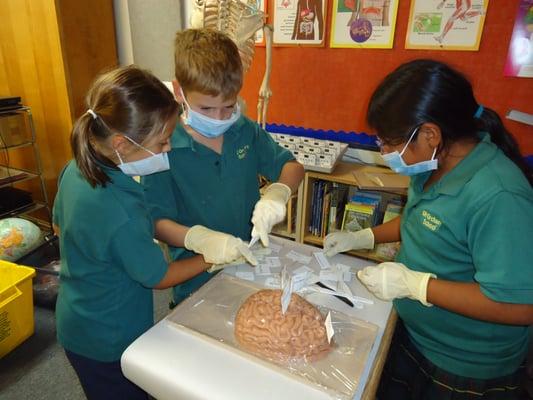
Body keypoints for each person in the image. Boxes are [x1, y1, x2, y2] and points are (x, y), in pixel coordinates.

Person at [324, 59, 533, 399]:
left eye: (390, 143)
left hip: (463, 362)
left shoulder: (498, 195)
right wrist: (363, 236)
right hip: (414, 334)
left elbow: (520, 306)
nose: (385, 152)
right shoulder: (432, 164)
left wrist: (417, 284)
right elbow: (420, 222)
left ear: (430, 134)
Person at [52, 65, 213, 400]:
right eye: (163, 141)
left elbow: (58, 225)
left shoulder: (78, 167)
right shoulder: (119, 209)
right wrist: (209, 256)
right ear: (122, 144)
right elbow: (160, 276)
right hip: (109, 340)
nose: (168, 148)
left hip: (77, 319)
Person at [142, 28, 305, 306]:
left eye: (228, 106)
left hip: (251, 267)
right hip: (196, 281)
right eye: (206, 109)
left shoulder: (242, 130)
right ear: (179, 90)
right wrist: (202, 241)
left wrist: (279, 193)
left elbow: (292, 167)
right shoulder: (163, 148)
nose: (219, 118)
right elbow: (157, 223)